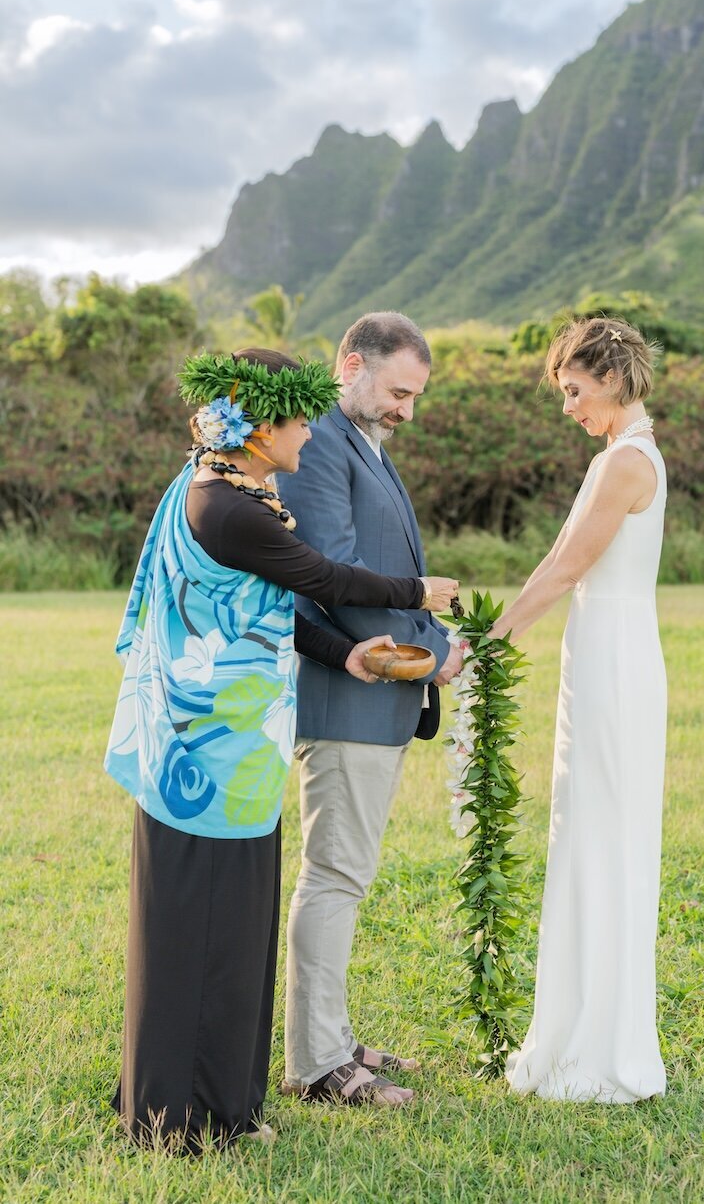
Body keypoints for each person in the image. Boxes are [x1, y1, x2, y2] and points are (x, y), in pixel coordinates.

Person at [104, 346, 459, 1149]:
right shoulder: (226, 507)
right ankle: (176, 1124)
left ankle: (216, 1110)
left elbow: (271, 612)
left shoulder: (220, 488)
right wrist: (417, 593)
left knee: (228, 935)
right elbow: (321, 578)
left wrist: (345, 654)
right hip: (206, 759)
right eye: (300, 421)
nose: (309, 435)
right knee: (198, 936)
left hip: (227, 754)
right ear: (261, 429)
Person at [279, 312, 463, 1107]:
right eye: (399, 391)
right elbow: (335, 576)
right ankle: (319, 1064)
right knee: (333, 876)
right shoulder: (319, 441)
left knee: (345, 875)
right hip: (346, 695)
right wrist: (431, 648)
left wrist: (434, 636)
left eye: (415, 396)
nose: (406, 410)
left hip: (375, 696)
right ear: (351, 365)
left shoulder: (362, 439)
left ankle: (333, 1035)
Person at [492, 317, 668, 1104]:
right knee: (587, 829)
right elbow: (560, 565)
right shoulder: (618, 454)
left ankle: (602, 1045)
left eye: (573, 390)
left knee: (604, 833)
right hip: (599, 653)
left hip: (617, 663)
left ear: (611, 378)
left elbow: (566, 568)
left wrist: (491, 641)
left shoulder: (627, 461)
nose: (568, 407)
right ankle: (577, 1028)